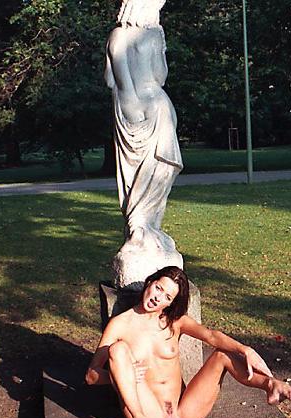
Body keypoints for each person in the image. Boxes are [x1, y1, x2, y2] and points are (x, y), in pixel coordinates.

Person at [86, 266, 291, 418]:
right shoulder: (120, 324)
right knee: (118, 350)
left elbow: (211, 336)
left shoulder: (174, 322)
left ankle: (270, 386)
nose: (157, 298)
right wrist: (121, 376)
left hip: (182, 413)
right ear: (150, 282)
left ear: (171, 303)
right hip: (148, 415)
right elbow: (91, 376)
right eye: (158, 288)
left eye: (167, 297)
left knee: (222, 354)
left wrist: (245, 349)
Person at [104, 0, 184, 288]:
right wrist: (133, 111)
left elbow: (153, 77)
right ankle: (140, 228)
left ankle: (147, 227)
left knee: (158, 169)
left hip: (148, 108)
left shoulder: (139, 35)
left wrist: (159, 46)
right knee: (148, 170)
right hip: (145, 108)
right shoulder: (127, 35)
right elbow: (125, 81)